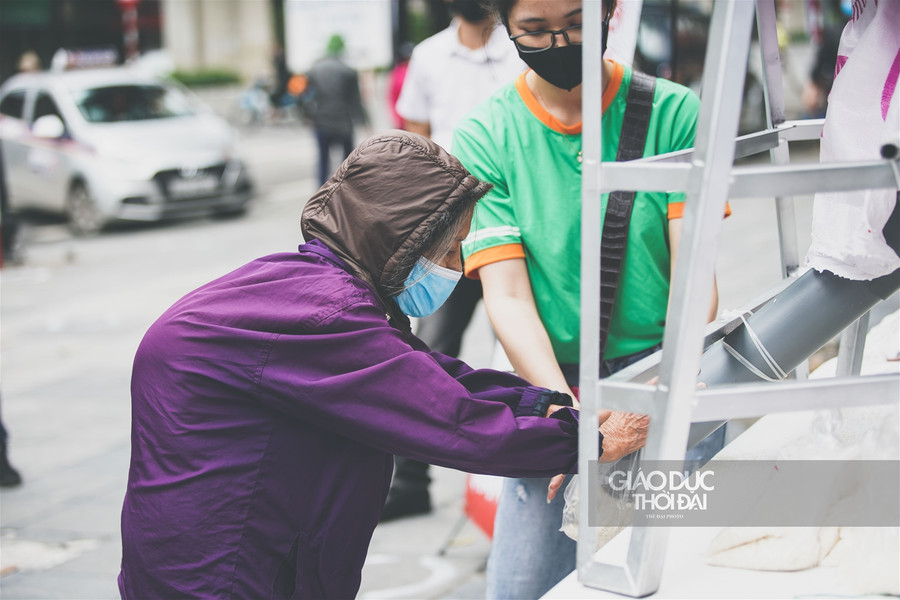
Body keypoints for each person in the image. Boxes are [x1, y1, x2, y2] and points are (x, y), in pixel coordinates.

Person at [117, 131, 647, 599]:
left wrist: (545, 403)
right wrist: (590, 442)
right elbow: (451, 420)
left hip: (212, 552)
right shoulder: (326, 316)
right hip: (226, 573)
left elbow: (429, 374)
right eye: (450, 250)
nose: (458, 270)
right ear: (403, 241)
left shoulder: (310, 289)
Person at [452, 0, 724, 597]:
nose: (560, 42)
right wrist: (568, 421)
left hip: (664, 378)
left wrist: (654, 396)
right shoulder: (485, 134)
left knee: (676, 576)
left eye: (576, 23)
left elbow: (694, 280)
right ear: (504, 27)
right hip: (552, 385)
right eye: (535, 30)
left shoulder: (674, 113)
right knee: (523, 585)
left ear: (611, 11)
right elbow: (510, 298)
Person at [381, 0, 527, 522]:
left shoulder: (520, 44)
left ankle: (532, 467)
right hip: (450, 237)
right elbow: (414, 140)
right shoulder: (428, 56)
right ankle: (410, 482)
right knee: (422, 353)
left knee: (523, 346)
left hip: (516, 227)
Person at [302, 34, 367, 185]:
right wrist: (362, 121)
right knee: (348, 161)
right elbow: (355, 101)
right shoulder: (348, 71)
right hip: (343, 121)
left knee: (323, 159)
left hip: (321, 121)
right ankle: (347, 189)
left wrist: (307, 115)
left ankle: (320, 192)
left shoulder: (314, 69)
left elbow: (306, 96)